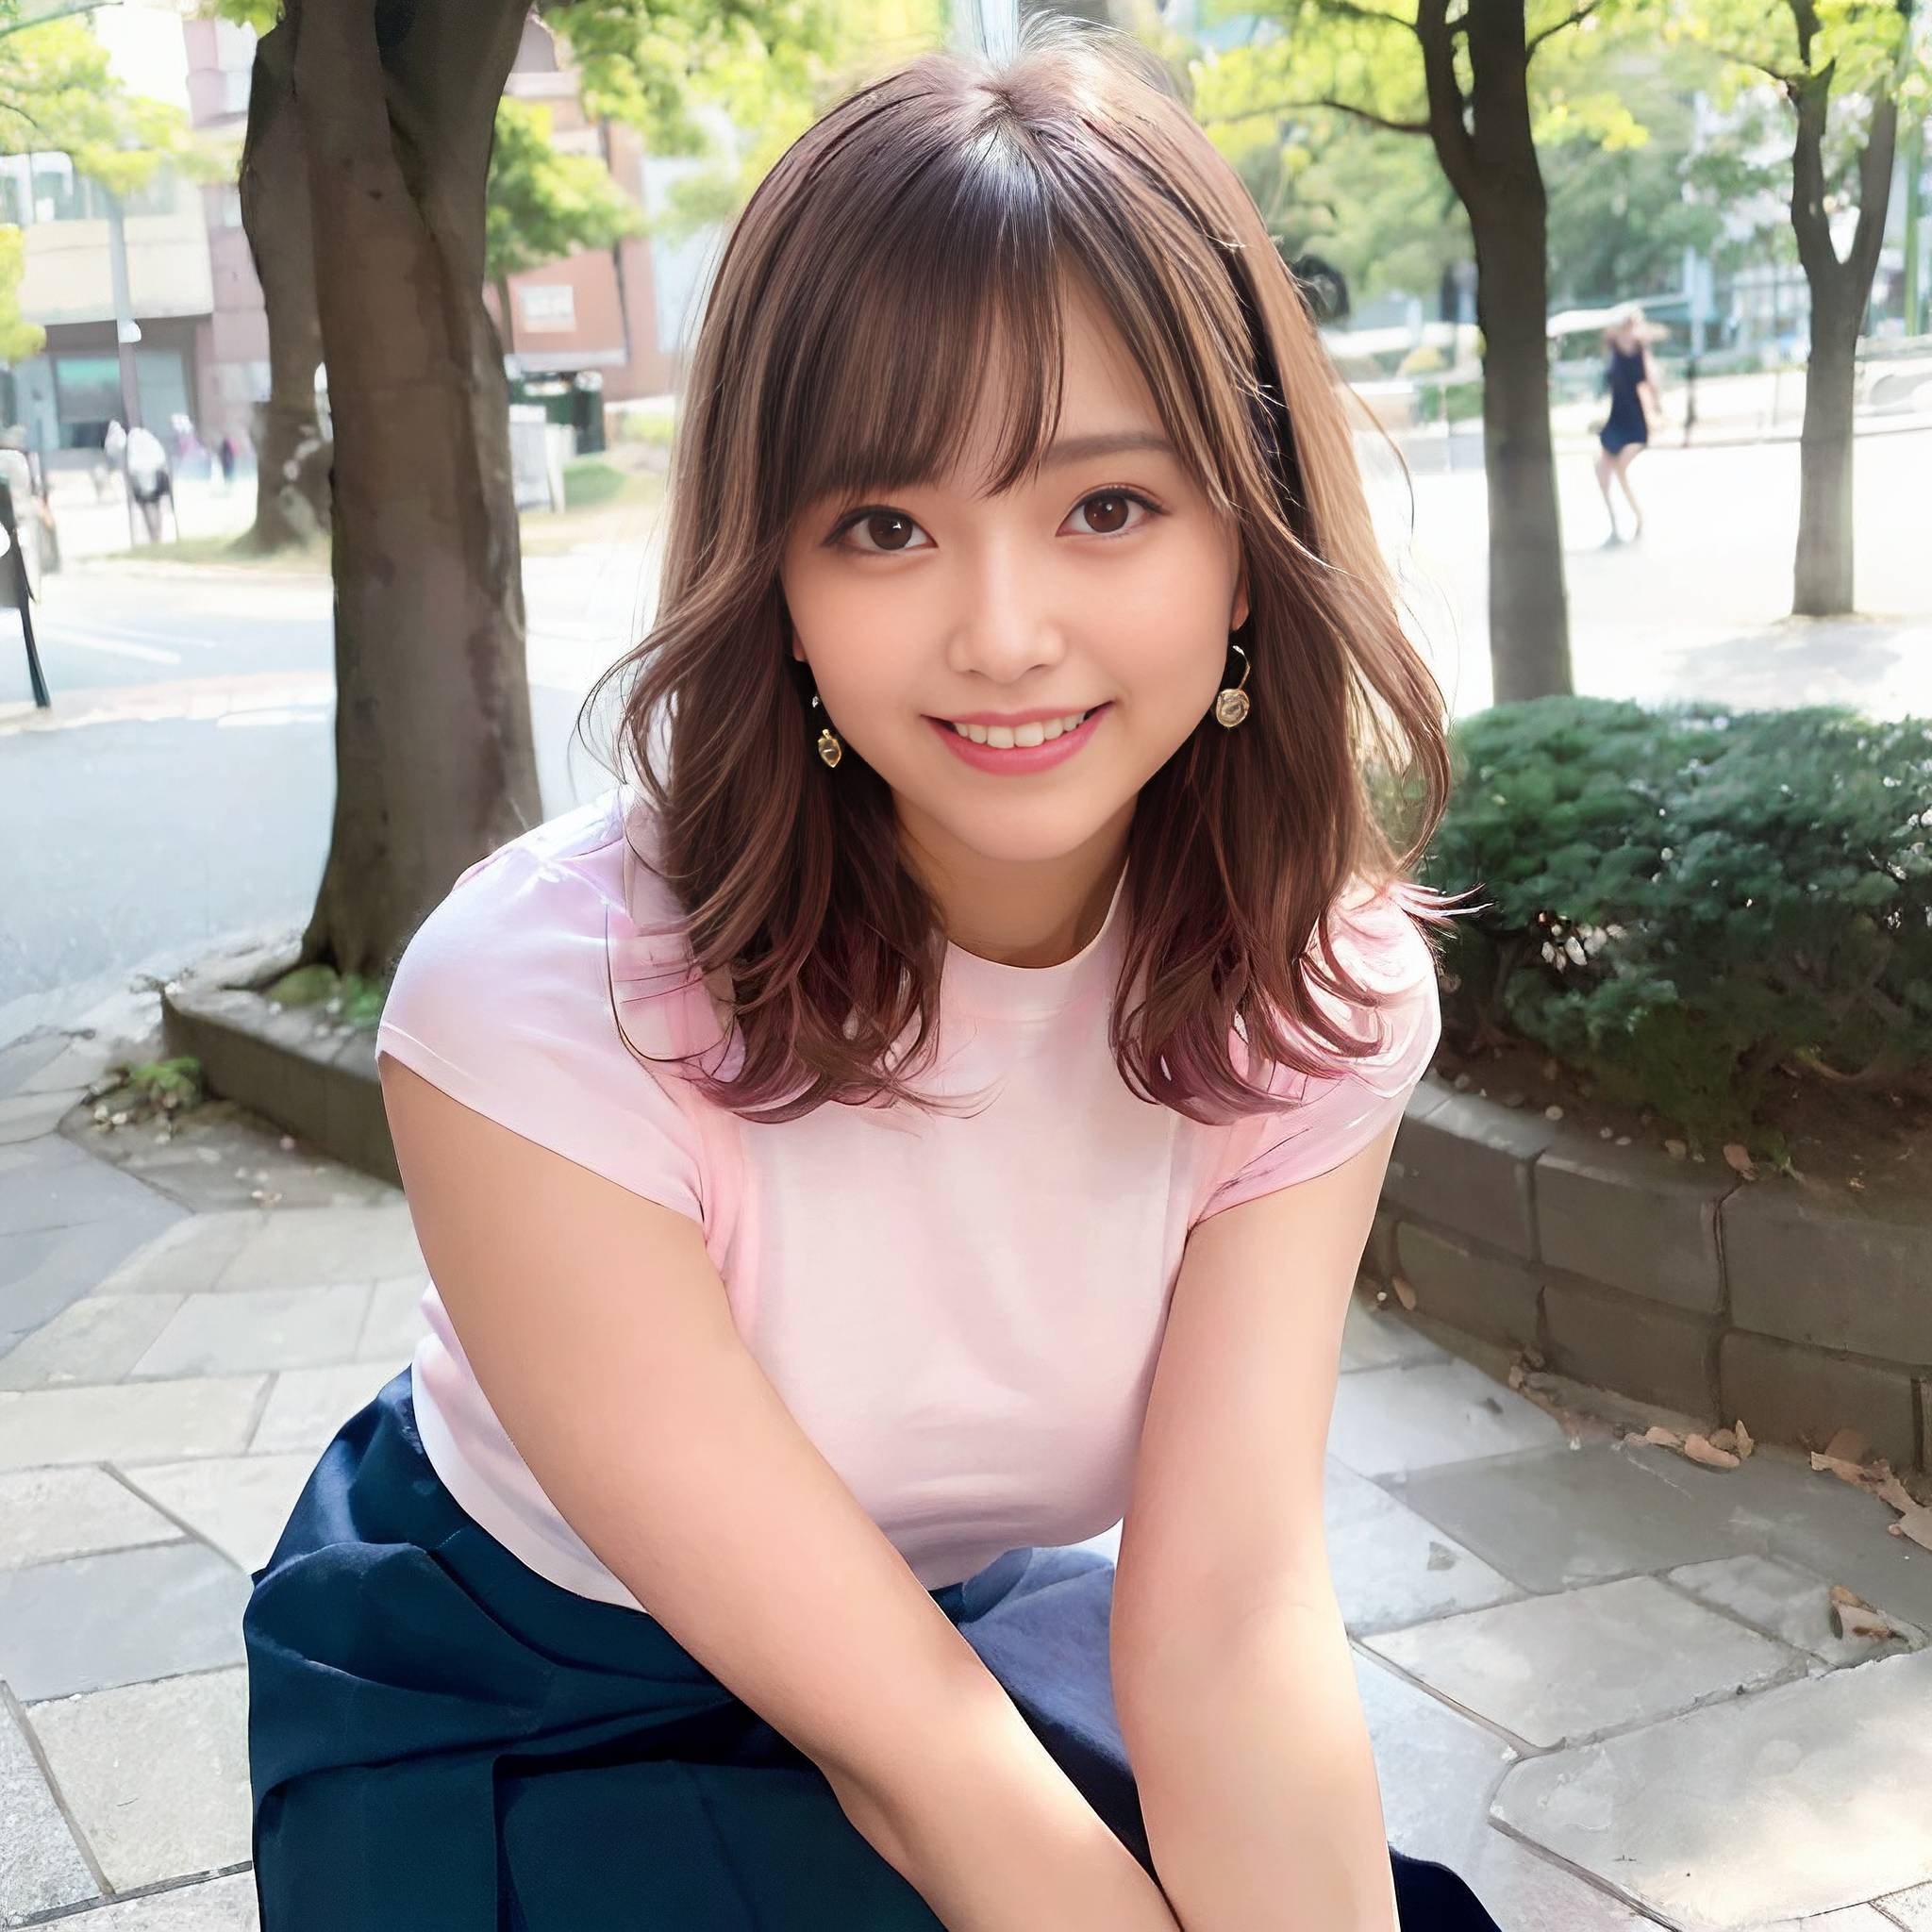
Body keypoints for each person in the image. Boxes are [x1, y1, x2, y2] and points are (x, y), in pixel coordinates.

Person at [242, 22, 1503, 1932]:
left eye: (1105, 506)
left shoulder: (1314, 994)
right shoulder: (536, 1005)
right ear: (777, 576)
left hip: (940, 1628)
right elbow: (921, 1769)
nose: (1002, 633)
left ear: (1248, 547)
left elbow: (1229, 1616)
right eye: (885, 526)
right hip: (520, 1677)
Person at [1594, 304, 1665, 545]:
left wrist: (1656, 412)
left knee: (1620, 468)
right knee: (1602, 470)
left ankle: (1639, 519)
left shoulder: (1640, 354)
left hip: (1635, 421)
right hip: (1616, 418)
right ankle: (1614, 526)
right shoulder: (1613, 349)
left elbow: (1650, 385)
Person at [124, 422, 173, 542]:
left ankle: (154, 535)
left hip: (142, 477)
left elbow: (132, 464)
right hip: (154, 475)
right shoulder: (150, 438)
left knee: (148, 508)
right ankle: (157, 535)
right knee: (155, 507)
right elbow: (160, 458)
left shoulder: (133, 440)